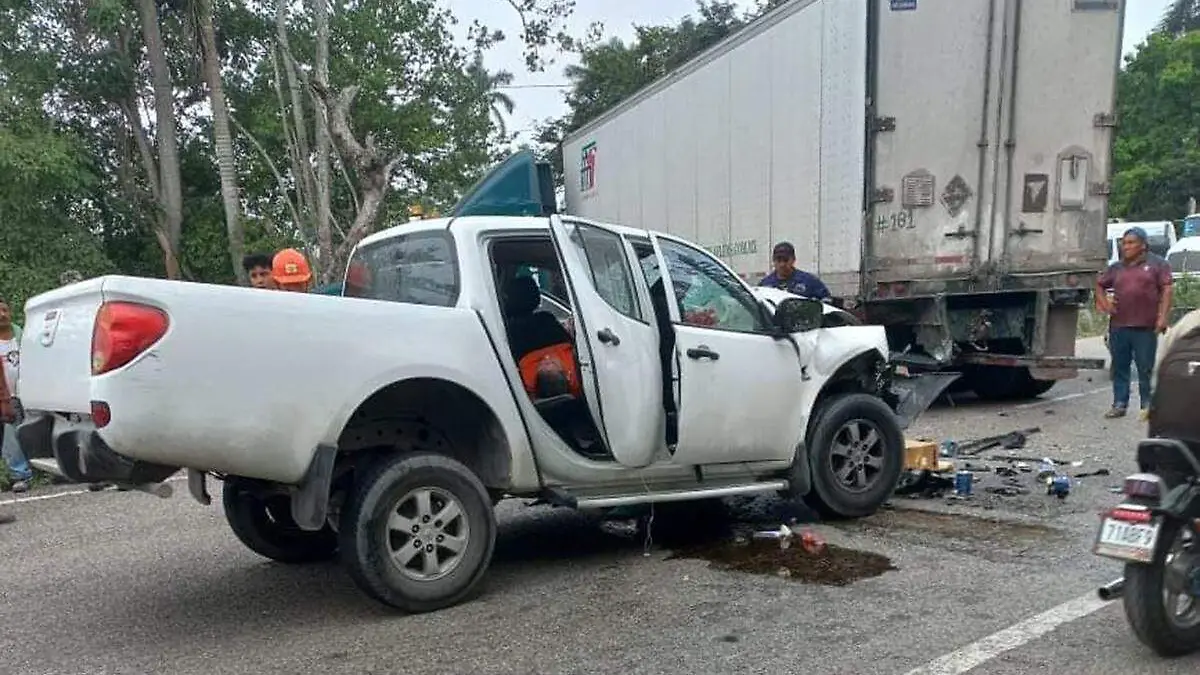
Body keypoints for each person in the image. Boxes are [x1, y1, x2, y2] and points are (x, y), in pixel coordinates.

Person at [1096, 226, 1173, 421]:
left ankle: (1147, 405)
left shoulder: (1158, 265)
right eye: (1124, 242)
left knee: (1145, 367)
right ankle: (1119, 404)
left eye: (1130, 243)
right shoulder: (1117, 268)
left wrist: (1162, 317)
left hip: (1145, 326)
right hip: (1119, 326)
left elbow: (1166, 290)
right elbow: (1099, 284)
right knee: (1120, 367)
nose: (1125, 246)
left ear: (1143, 245)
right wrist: (1105, 304)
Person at [0, 298, 31, 494]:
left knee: (32, 432)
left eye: (4, 310)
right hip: (4, 397)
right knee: (10, 437)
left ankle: (56, 470)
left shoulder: (22, 335)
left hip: (26, 394)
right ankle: (19, 475)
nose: (2, 314)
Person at [759, 241, 831, 300]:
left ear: (793, 260)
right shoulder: (765, 285)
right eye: (778, 260)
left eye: (786, 260)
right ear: (773, 261)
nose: (782, 264)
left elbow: (827, 300)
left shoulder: (808, 281)